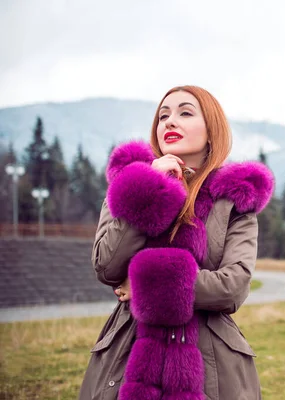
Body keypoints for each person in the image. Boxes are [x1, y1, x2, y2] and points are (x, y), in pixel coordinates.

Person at [78, 85, 274, 400]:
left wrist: (145, 283)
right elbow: (106, 265)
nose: (170, 122)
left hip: (209, 362)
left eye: (185, 112)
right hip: (130, 354)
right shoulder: (129, 187)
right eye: (163, 115)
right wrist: (147, 189)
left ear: (212, 131)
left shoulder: (233, 200)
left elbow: (234, 287)